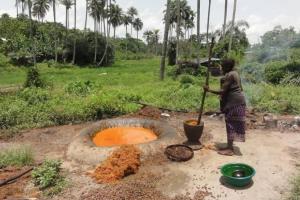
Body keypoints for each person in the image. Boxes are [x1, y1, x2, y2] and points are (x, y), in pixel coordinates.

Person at [203, 59, 246, 156]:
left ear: (227, 67)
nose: (221, 68)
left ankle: (230, 149)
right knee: (231, 123)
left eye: (222, 66)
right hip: (238, 101)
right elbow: (240, 88)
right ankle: (229, 146)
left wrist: (208, 90)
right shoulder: (235, 73)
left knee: (230, 124)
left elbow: (222, 91)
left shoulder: (230, 75)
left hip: (234, 103)